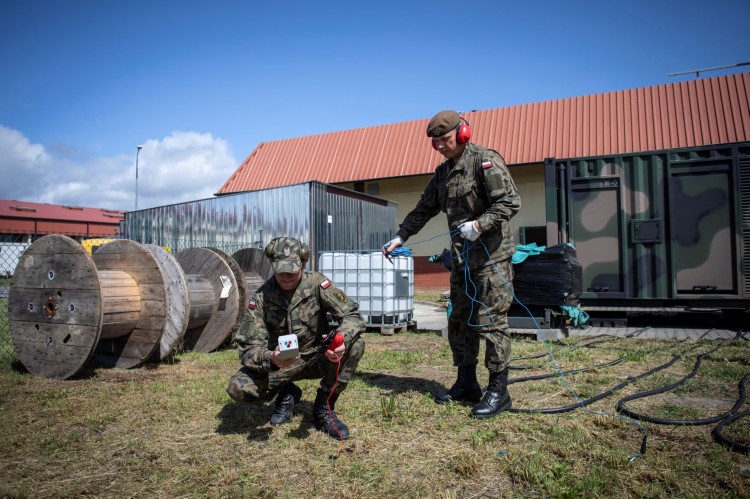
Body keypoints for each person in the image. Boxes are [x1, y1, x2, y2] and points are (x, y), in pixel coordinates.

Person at [383, 110, 521, 419]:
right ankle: (467, 383)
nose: (441, 147)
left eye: (445, 140)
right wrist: (401, 236)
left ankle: (499, 391)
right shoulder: (443, 173)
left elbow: (511, 201)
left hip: (491, 260)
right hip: (462, 262)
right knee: (459, 321)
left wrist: (481, 224)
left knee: (492, 323)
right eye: (435, 143)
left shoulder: (484, 161)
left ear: (463, 133)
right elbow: (424, 208)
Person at [227, 236, 366, 439]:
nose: (286, 275)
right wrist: (270, 358)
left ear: (303, 263)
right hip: (282, 364)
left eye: (291, 269)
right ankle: (286, 394)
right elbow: (247, 349)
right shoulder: (261, 299)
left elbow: (352, 315)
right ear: (271, 264)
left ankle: (324, 408)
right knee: (238, 387)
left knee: (356, 345)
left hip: (317, 357)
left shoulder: (318, 284)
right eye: (280, 269)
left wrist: (341, 341)